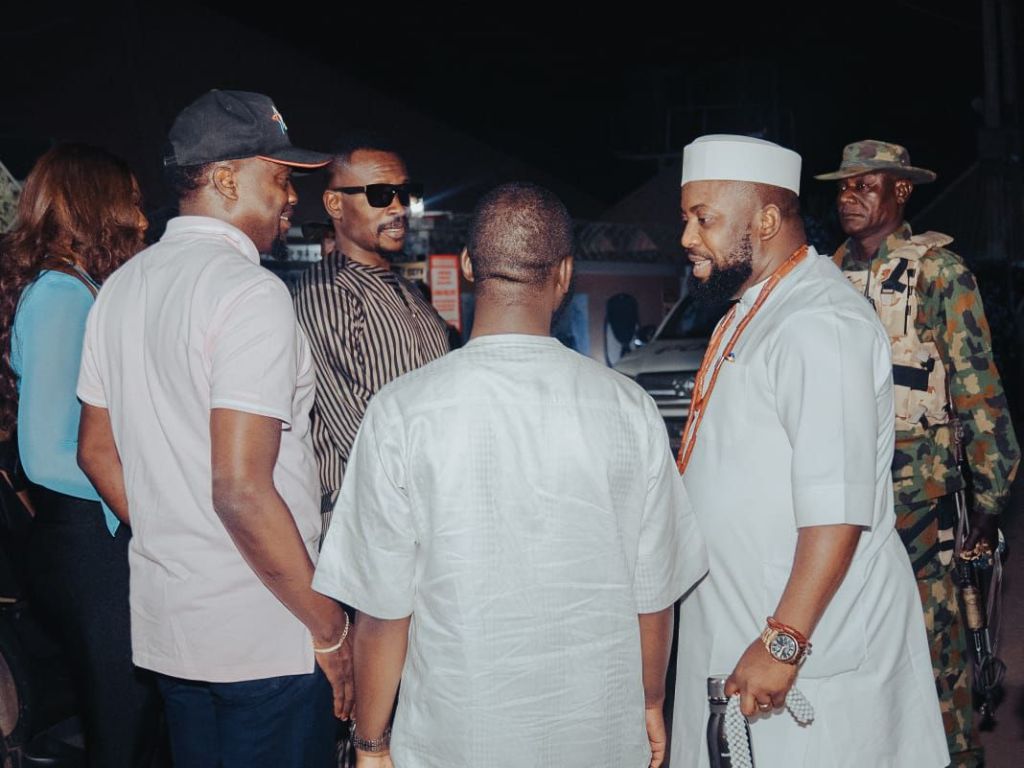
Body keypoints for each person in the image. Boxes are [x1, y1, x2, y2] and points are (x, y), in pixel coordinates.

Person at [313, 181, 707, 768]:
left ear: (469, 266)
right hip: (596, 734)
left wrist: (371, 741)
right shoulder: (629, 408)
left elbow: (383, 608)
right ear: (565, 273)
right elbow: (654, 595)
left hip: (455, 740)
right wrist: (651, 703)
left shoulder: (402, 411)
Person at [75, 90, 350, 768]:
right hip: (265, 628)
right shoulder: (249, 292)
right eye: (279, 178)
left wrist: (180, 534)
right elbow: (240, 488)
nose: (291, 198)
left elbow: (96, 452)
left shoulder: (121, 287)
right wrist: (330, 629)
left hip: (175, 624)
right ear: (226, 179)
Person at [669, 135, 948, 768]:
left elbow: (838, 504)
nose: (687, 237)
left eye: (704, 219)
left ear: (766, 221)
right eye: (686, 219)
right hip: (741, 619)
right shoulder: (755, 307)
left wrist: (785, 639)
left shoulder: (820, 322)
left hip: (813, 652)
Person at [816, 139, 1021, 768]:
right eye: (843, 186)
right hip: (840, 489)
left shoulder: (940, 273)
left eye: (865, 185)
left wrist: (988, 501)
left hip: (920, 496)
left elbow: (977, 386)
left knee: (936, 640)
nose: (849, 196)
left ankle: (955, 753)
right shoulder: (822, 275)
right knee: (849, 631)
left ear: (900, 191)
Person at [0, 143, 161, 767]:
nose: (142, 218)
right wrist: (146, 495)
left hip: (89, 537)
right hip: (88, 543)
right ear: (97, 206)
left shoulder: (79, 289)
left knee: (130, 721)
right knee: (122, 728)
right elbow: (46, 454)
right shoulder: (62, 297)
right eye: (131, 202)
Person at [293, 134, 448, 543]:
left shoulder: (411, 292)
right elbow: (361, 434)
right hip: (368, 526)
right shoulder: (326, 293)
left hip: (429, 515)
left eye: (405, 193)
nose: (398, 207)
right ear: (335, 204)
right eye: (381, 195)